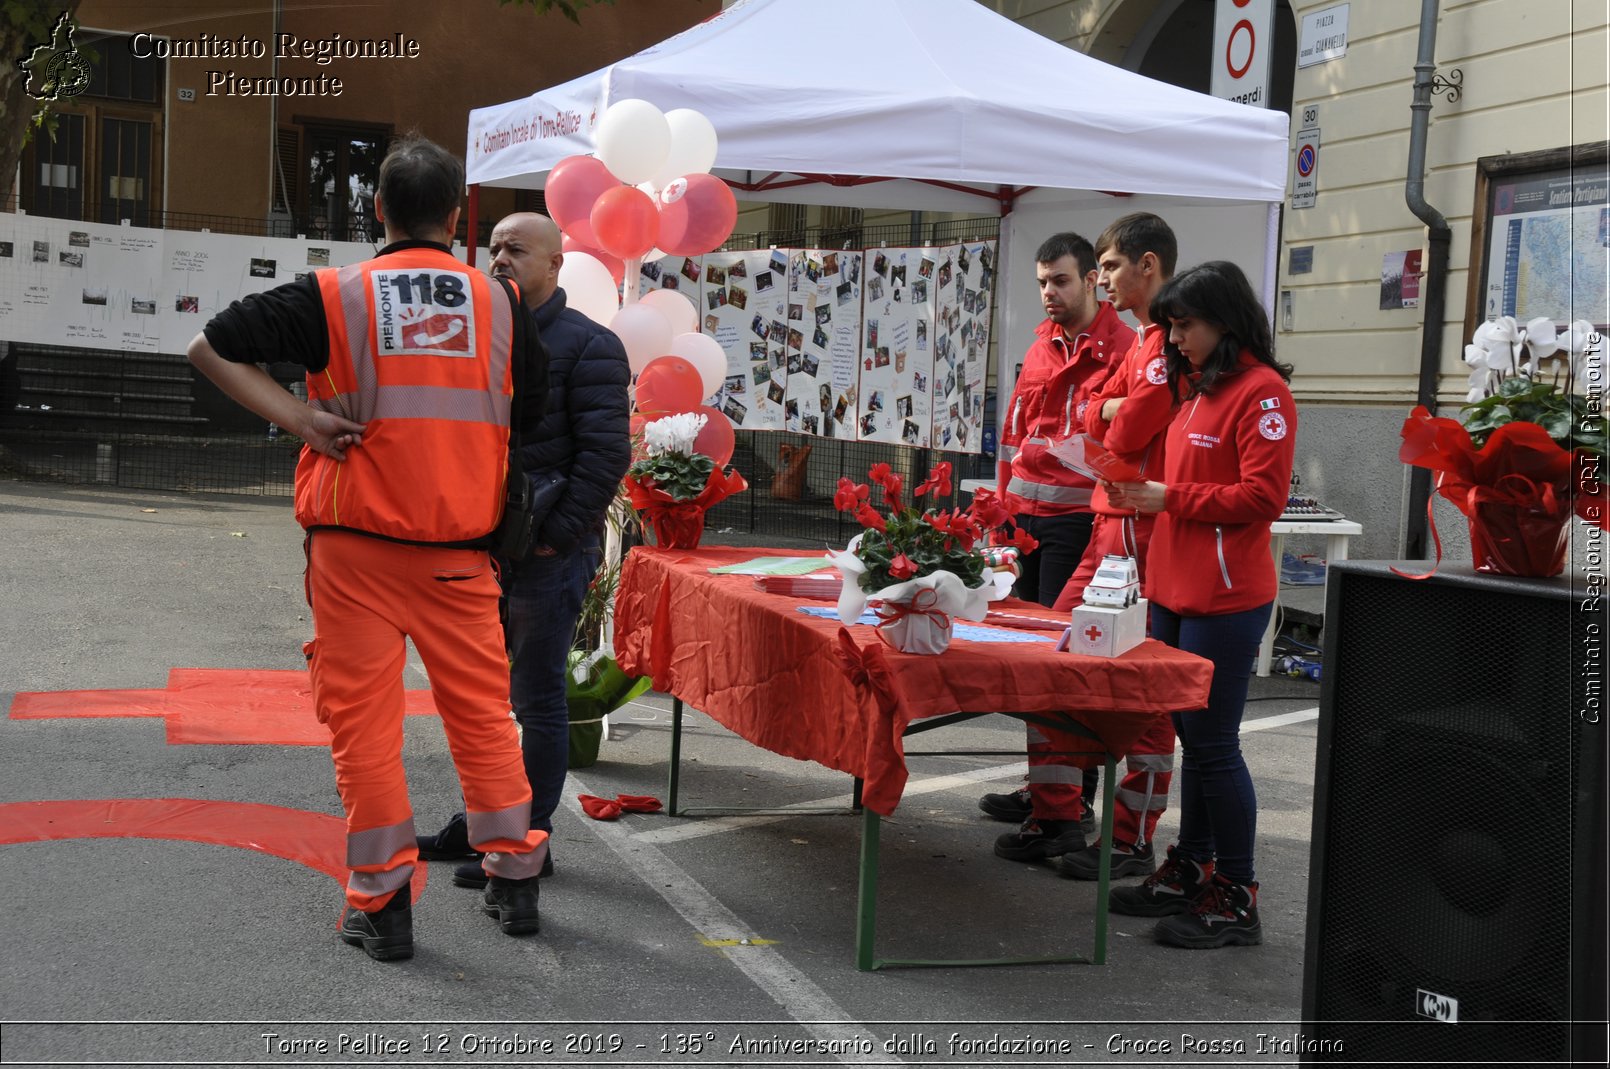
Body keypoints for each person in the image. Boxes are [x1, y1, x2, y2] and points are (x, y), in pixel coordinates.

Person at [186, 135, 551, 961]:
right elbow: (524, 417)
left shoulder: (335, 295)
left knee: (365, 733)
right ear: (458, 216)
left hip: (354, 553)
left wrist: (302, 418)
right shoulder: (499, 304)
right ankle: (515, 882)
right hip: (461, 551)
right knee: (485, 720)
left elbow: (209, 346)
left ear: (376, 210)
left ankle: (383, 907)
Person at [414, 212, 632, 890]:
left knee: (535, 699)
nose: (500, 257)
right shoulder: (475, 335)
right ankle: (484, 823)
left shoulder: (590, 346)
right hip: (477, 548)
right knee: (480, 701)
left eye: (518, 249)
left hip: (542, 554)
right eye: (495, 247)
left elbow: (604, 459)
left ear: (555, 264)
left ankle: (526, 843)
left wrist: (549, 538)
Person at [1103, 260, 1295, 949]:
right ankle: (1193, 867)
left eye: (1185, 325)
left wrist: (1166, 497)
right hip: (1178, 593)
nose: (1176, 338)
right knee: (1195, 743)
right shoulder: (1200, 389)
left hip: (1226, 598)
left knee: (1214, 748)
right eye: (1172, 327)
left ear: (1225, 320)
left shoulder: (1263, 393)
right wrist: (1141, 489)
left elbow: (1262, 498)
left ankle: (1237, 896)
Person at [987, 231, 1133, 863]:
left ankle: (1072, 802)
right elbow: (1016, 436)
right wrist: (998, 514)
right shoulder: (1040, 345)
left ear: (1092, 283)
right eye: (1043, 283)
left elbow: (1120, 445)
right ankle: (1046, 790)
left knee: (1061, 663)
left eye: (1062, 281)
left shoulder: (1124, 348)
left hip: (1079, 527)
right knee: (1030, 660)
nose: (1049, 293)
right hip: (1026, 523)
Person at [1049, 212, 1181, 882]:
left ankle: (1131, 837)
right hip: (1110, 526)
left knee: (1140, 688)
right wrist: (1106, 405)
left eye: (1107, 267)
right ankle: (1056, 812)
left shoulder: (1163, 345)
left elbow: (1125, 430)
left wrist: (1108, 407)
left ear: (1146, 266)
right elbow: (1092, 409)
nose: (1102, 279)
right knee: (1058, 653)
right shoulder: (1145, 341)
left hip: (1137, 534)